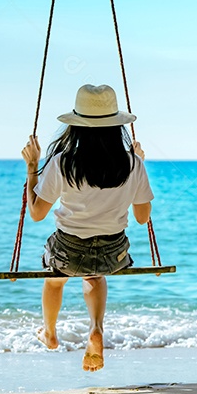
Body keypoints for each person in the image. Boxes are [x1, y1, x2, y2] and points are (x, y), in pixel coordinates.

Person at [20, 83, 154, 372]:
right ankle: (95, 328)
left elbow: (36, 213)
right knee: (94, 275)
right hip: (113, 252)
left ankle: (50, 332)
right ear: (116, 126)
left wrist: (32, 168)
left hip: (68, 250)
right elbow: (143, 218)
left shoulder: (62, 163)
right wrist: (139, 163)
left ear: (77, 127)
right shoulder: (133, 164)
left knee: (55, 277)